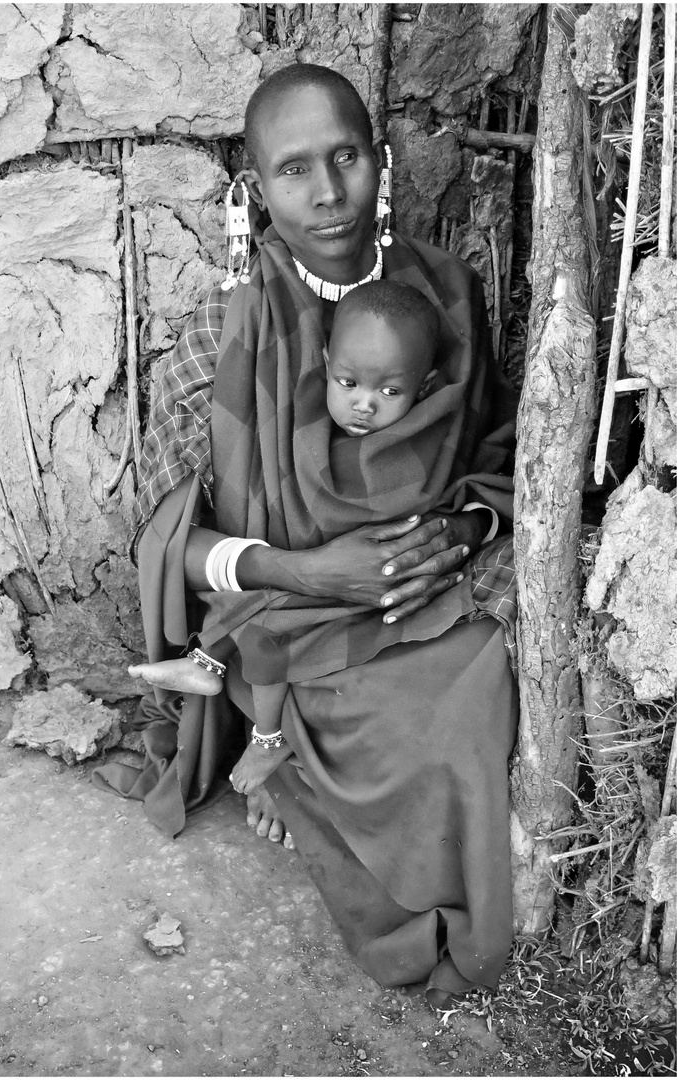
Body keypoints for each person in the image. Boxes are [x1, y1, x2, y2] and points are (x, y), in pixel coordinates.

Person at [94, 63, 519, 1007]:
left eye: (347, 157)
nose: (328, 194)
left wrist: (455, 529)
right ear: (255, 189)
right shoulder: (225, 321)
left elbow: (493, 451)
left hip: (420, 591)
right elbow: (168, 539)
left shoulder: (444, 293)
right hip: (286, 615)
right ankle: (288, 771)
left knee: (478, 695)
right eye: (294, 170)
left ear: (383, 161)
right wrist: (311, 568)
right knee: (408, 733)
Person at [134, 279, 445, 797]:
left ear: (426, 388)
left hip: (369, 599)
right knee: (264, 615)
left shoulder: (419, 445)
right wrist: (313, 564)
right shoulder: (296, 413)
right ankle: (237, 697)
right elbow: (167, 536)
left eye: (389, 392)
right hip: (306, 580)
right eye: (347, 383)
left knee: (271, 623)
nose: (365, 405)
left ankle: (251, 717)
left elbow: (435, 505)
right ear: (324, 362)